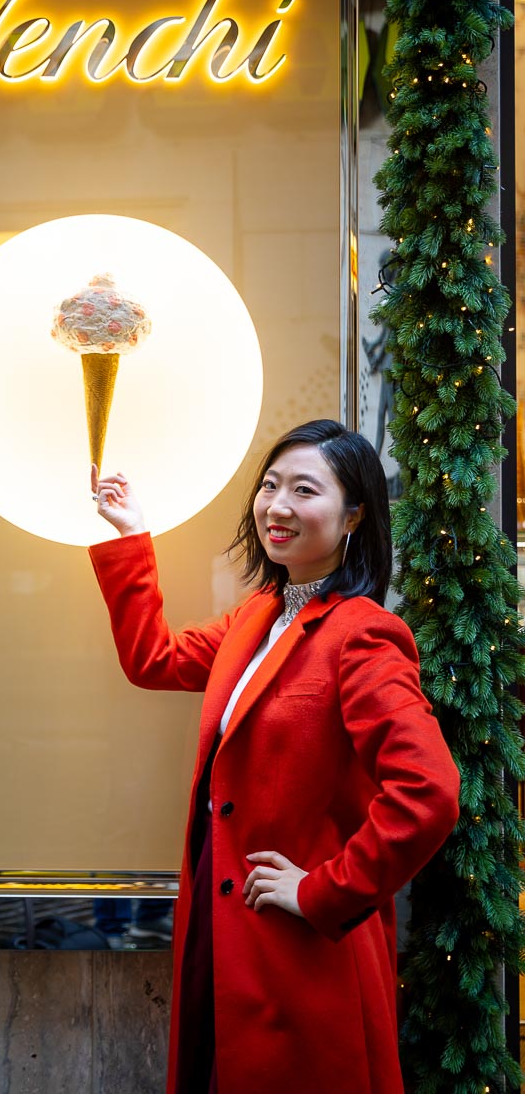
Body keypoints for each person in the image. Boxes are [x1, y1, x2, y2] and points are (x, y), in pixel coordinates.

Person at [88, 419, 459, 1094]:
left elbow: (428, 793)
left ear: (353, 516)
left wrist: (323, 889)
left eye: (304, 490)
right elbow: (154, 659)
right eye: (269, 485)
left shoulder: (365, 636)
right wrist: (130, 535)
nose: (277, 505)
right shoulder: (256, 617)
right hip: (228, 933)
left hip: (302, 950)